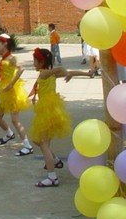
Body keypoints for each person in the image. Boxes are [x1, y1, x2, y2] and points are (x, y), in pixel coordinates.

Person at [25, 48, 89, 187]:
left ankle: (52, 177)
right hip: (50, 111)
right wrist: (86, 73)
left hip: (47, 112)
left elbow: (60, 69)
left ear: (41, 62)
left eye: (35, 61)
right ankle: (55, 161)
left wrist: (66, 72)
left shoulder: (45, 73)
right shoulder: (48, 74)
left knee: (44, 144)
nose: (33, 63)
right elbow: (70, 72)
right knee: (37, 140)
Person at [0, 35, 32, 155]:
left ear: (5, 44)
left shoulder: (11, 58)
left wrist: (11, 84)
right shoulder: (3, 57)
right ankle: (9, 134)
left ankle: (27, 145)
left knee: (15, 120)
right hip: (4, 90)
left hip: (12, 91)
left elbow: (21, 69)